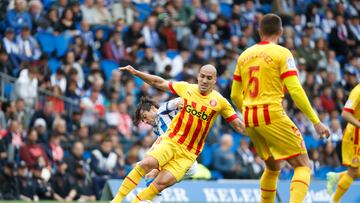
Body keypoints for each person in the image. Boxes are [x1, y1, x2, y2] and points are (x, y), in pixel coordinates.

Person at [230, 13, 330, 203]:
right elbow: (295, 90)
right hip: (271, 114)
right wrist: (315, 121)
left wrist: (250, 111)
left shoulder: (244, 56)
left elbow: (235, 94)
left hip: (250, 116)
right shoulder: (282, 53)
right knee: (303, 165)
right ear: (281, 32)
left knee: (272, 167)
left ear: (259, 32)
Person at [111, 64, 246, 203]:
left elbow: (239, 127)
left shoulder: (221, 103)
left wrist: (261, 132)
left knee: (159, 183)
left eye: (209, 78)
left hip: (189, 155)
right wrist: (137, 73)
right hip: (172, 141)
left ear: (215, 80)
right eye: (202, 76)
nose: (205, 80)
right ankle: (117, 201)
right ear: (198, 76)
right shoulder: (186, 88)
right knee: (147, 166)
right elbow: (159, 82)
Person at [134, 96, 196, 203]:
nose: (144, 121)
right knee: (151, 177)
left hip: (184, 160)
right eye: (142, 120)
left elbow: (176, 102)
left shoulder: (163, 110)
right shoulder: (157, 128)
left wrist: (180, 102)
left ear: (153, 109)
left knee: (153, 178)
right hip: (177, 159)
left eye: (144, 116)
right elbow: (159, 144)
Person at [326, 83, 360, 203]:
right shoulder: (357, 91)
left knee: (356, 171)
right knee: (353, 172)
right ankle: (334, 200)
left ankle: (336, 177)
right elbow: (345, 114)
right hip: (355, 136)